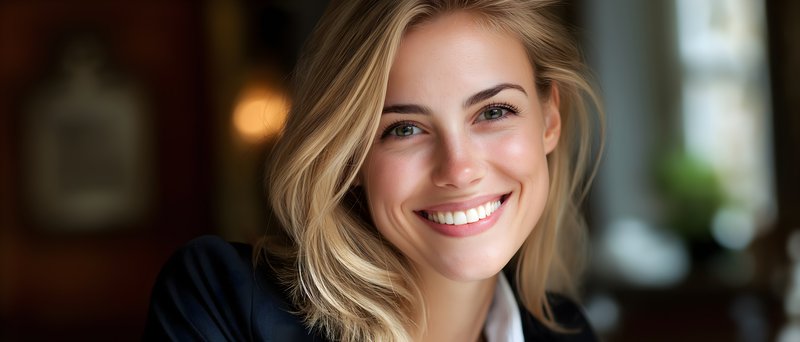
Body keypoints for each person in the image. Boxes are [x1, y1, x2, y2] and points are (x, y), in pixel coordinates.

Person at [144, 0, 603, 341]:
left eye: (495, 112)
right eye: (404, 128)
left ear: (549, 119)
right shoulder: (223, 304)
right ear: (351, 157)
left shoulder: (569, 334)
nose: (459, 169)